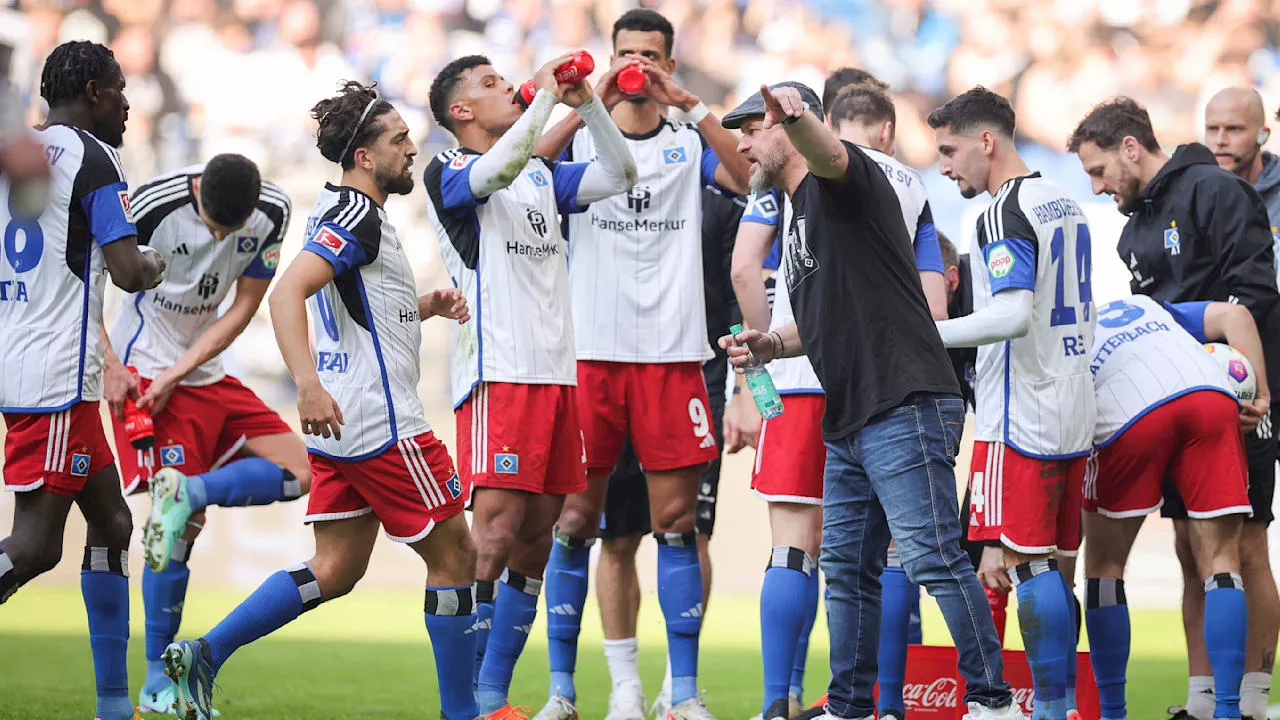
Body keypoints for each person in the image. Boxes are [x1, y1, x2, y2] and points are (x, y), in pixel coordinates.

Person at [161, 81, 477, 720]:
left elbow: (357, 311)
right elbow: (285, 295)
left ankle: (204, 654)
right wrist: (306, 383)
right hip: (380, 422)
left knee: (335, 567)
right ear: (364, 155)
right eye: (397, 140)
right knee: (456, 556)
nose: (412, 148)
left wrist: (423, 308)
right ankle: (463, 713)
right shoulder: (357, 215)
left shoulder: (341, 212)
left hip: (341, 425)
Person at [719, 81, 1019, 720]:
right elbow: (822, 318)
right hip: (853, 411)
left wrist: (798, 117)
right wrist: (770, 341)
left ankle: (994, 704)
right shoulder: (799, 210)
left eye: (751, 128)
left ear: (786, 126)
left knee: (936, 559)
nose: (741, 145)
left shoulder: (842, 181)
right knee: (847, 571)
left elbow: (829, 156)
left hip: (906, 398)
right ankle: (849, 707)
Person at [523, 10, 750, 720]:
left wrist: (693, 106)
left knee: (677, 522)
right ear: (608, 58)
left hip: (672, 358)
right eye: (627, 54)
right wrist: (585, 99)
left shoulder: (688, 140)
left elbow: (748, 178)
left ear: (670, 65)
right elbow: (528, 172)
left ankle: (680, 693)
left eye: (652, 56)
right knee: (575, 523)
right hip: (590, 357)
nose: (638, 67)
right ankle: (578, 690)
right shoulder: (583, 140)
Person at [424, 54, 637, 720]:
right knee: (491, 536)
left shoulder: (541, 173)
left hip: (555, 377)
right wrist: (547, 99)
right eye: (488, 84)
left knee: (539, 536)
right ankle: (466, 703)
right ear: (460, 112)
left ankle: (496, 695)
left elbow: (621, 173)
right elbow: (496, 170)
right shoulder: (451, 168)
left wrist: (591, 105)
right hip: (498, 375)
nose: (504, 87)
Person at [1069, 96, 1280, 720]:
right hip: (1178, 400)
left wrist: (1242, 381)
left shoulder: (1215, 190)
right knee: (1192, 548)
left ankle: (1255, 700)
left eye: (1099, 171)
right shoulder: (1133, 230)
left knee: (1244, 549)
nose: (1099, 187)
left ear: (1131, 147)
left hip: (1239, 400)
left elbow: (1256, 292)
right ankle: (1204, 697)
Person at [99, 153, 310, 714]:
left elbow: (243, 306)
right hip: (142, 367)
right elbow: (85, 279)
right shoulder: (154, 204)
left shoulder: (273, 210)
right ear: (197, 195)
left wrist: (182, 369)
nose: (220, 236)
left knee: (301, 470)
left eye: (229, 231)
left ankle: (189, 490)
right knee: (179, 531)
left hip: (204, 371)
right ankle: (155, 683)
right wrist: (109, 362)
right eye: (213, 225)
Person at [0, 40, 166, 720]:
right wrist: (155, 262)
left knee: (113, 520)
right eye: (121, 88)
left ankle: (113, 705)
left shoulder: (27, 152)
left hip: (28, 358)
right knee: (36, 546)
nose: (129, 102)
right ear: (95, 91)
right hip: (56, 375)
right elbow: (127, 272)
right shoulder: (93, 158)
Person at [929, 86, 1096, 720]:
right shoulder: (1064, 201)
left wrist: (929, 333)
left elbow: (1011, 314)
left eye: (950, 150)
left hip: (1020, 413)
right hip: (1072, 406)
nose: (944, 165)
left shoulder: (1001, 212)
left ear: (986, 141)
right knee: (1053, 567)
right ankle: (1062, 707)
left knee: (1024, 570)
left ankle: (1049, 710)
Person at [592, 183, 747, 720]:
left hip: (693, 380)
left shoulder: (717, 202)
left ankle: (679, 688)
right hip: (608, 372)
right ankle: (624, 689)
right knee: (615, 538)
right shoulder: (597, 182)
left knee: (690, 531)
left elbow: (736, 303)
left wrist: (754, 396)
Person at [1083, 296, 1267, 720]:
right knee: (1222, 562)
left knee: (1104, 568)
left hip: (1131, 410)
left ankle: (1112, 713)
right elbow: (1236, 315)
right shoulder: (1146, 305)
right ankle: (1225, 711)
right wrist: (1262, 392)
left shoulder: (1068, 324)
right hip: (1208, 396)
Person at [1202, 86, 1280, 720]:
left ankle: (1251, 696)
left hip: (1272, 366)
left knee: (1246, 542)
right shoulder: (1202, 195)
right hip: (1240, 382)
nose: (1222, 139)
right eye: (1212, 129)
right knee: (1237, 539)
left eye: (1233, 129)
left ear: (1262, 131)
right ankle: (1238, 699)